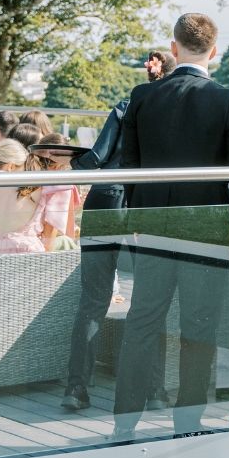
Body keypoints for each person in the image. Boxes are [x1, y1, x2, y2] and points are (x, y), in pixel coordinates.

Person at [112, 13, 229, 440]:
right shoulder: (226, 99)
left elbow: (129, 168)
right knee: (200, 326)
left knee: (142, 323)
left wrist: (138, 219)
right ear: (214, 52)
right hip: (206, 229)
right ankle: (188, 422)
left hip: (153, 226)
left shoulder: (141, 96)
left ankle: (124, 423)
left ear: (173, 49)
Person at [62, 88, 167, 413]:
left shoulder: (127, 104)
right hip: (148, 204)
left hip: (105, 200)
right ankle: (155, 391)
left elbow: (97, 156)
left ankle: (76, 388)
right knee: (151, 300)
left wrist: (70, 162)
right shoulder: (177, 110)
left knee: (93, 300)